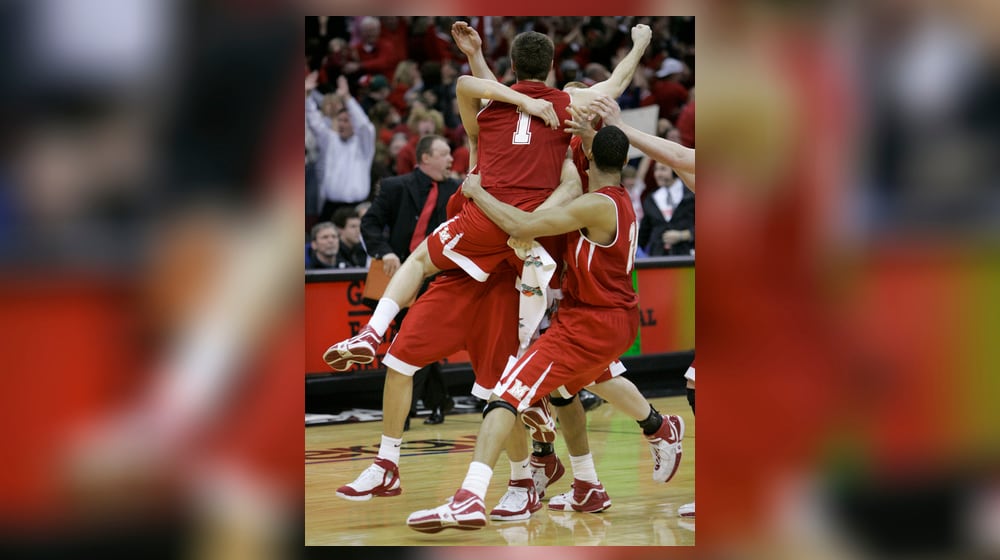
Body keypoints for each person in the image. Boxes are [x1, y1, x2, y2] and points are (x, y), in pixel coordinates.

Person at [406, 126, 684, 533]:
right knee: (568, 389)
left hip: (593, 320)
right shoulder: (617, 199)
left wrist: (479, 193)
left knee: (507, 393)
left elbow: (522, 226)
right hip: (592, 314)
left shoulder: (595, 204)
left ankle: (469, 497)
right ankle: (595, 478)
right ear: (625, 164)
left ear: (588, 157)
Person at [361, 134, 459, 426]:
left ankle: (404, 411)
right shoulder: (395, 186)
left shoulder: (457, 190)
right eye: (445, 153)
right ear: (426, 157)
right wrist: (385, 252)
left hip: (437, 276)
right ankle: (439, 400)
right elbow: (370, 223)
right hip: (398, 274)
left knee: (418, 337)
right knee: (411, 339)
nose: (452, 159)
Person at [305, 72, 375, 223]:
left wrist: (347, 98)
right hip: (331, 207)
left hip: (357, 207)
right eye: (340, 120)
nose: (342, 124)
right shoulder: (330, 139)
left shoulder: (364, 144)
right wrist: (308, 96)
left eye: (347, 120)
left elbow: (364, 126)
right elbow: (314, 121)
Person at [639, 161, 695, 256]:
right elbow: (644, 233)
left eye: (663, 169)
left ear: (675, 171)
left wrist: (683, 235)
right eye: (656, 170)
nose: (658, 174)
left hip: (687, 256)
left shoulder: (691, 194)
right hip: (658, 258)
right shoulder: (650, 199)